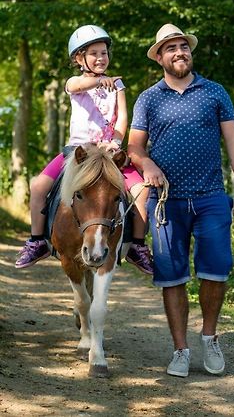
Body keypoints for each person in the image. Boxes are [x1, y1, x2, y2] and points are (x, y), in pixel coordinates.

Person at [127, 23, 234, 377]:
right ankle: (180, 350)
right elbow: (134, 148)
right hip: (167, 204)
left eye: (184, 46)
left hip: (212, 198)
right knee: (172, 276)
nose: (180, 52)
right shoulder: (148, 99)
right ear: (160, 57)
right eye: (171, 48)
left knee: (215, 272)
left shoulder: (214, 92)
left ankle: (210, 338)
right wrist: (147, 162)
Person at [15, 24, 154, 275]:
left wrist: (116, 140)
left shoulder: (118, 85)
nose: (101, 58)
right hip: (77, 151)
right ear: (79, 58)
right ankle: (36, 240)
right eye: (94, 54)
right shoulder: (75, 82)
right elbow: (78, 86)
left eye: (104, 53)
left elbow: (122, 117)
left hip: (108, 154)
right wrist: (100, 81)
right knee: (38, 187)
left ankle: (137, 246)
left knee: (141, 191)